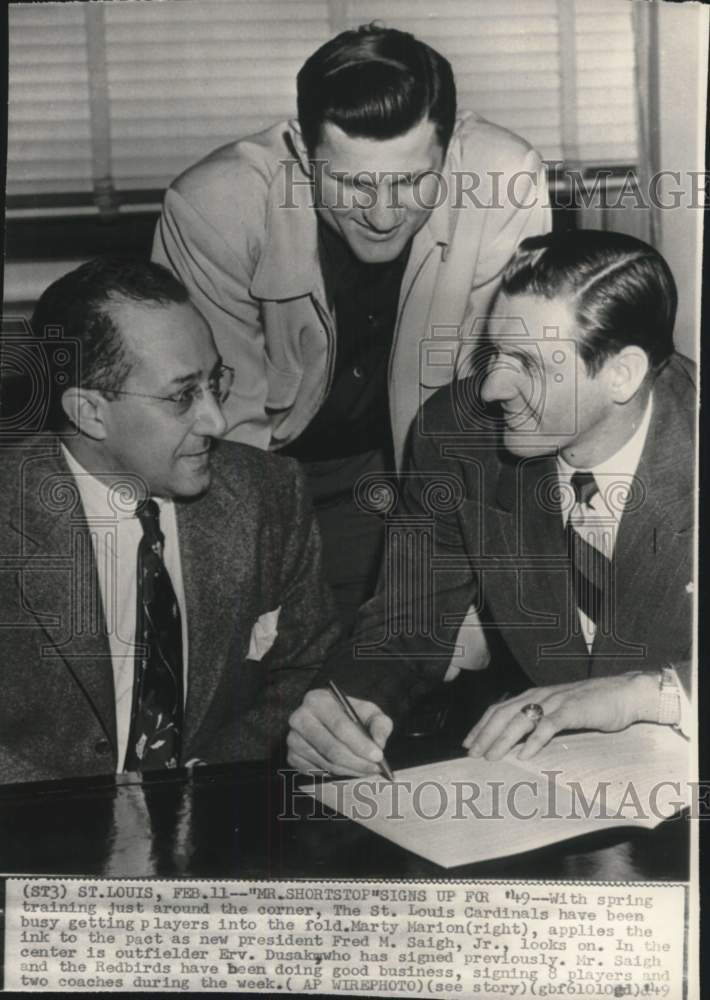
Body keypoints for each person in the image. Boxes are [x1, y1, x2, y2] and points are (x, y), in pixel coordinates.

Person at [152, 23, 551, 630]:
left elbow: (490, 405)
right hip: (267, 470)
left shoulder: (503, 180)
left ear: (451, 147)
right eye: (353, 183)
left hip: (424, 469)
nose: (384, 215)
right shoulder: (215, 206)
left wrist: (457, 586)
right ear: (300, 148)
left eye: (414, 180)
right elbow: (221, 431)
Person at [287, 229, 694, 776]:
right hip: (552, 784)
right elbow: (410, 619)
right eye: (495, 353)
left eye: (528, 363)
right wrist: (350, 704)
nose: (491, 389)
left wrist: (644, 695)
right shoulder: (456, 434)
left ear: (621, 373)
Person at [0, 258, 340, 785]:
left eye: (215, 382)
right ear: (89, 412)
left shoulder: (269, 493)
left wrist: (202, 781)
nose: (217, 420)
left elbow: (305, 666)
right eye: (183, 396)